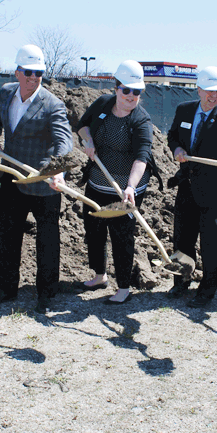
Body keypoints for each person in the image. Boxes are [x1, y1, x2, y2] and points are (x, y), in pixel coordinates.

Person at [0, 44, 73, 314]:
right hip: (13, 177)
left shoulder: (52, 104)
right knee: (8, 237)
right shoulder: (6, 92)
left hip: (44, 184)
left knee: (47, 241)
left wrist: (57, 171)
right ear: (18, 72)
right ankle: (7, 289)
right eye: (29, 73)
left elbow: (64, 142)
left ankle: (46, 294)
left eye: (39, 73)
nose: (34, 78)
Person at [75, 60, 156, 305]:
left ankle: (123, 286)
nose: (132, 96)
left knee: (122, 235)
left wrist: (131, 187)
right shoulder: (102, 104)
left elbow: (142, 158)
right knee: (94, 229)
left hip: (127, 187)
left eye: (137, 91)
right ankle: (100, 275)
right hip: (98, 182)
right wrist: (88, 140)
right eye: (127, 90)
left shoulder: (142, 120)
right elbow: (82, 126)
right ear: (116, 87)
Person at [166, 66, 217, 308]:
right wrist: (177, 149)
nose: (214, 96)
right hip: (186, 186)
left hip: (210, 191)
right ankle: (181, 281)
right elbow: (173, 136)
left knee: (209, 243)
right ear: (198, 89)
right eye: (209, 91)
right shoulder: (184, 110)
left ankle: (207, 291)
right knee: (182, 239)